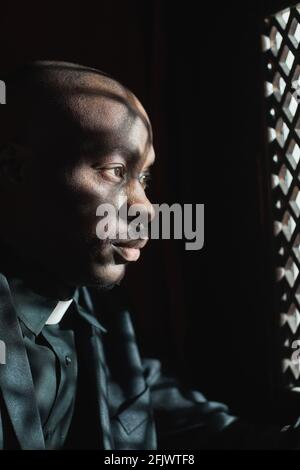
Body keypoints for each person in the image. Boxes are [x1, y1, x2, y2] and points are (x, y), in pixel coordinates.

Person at [0, 60, 298, 450]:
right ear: (16, 168)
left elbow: (178, 420)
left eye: (143, 178)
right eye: (114, 170)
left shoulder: (101, 310)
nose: (148, 209)